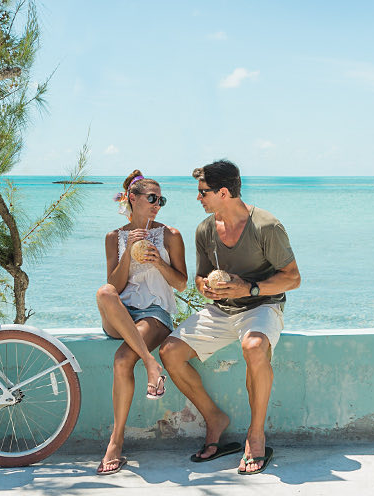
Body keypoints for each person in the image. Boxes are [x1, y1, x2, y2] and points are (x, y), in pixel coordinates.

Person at [159, 159, 301, 474]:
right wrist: (206, 289)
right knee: (170, 352)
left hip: (263, 306)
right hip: (222, 309)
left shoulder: (267, 226)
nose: (198, 198)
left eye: (203, 192)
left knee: (252, 347)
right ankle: (214, 419)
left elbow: (292, 278)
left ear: (224, 192)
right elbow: (200, 277)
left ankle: (256, 435)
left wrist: (249, 289)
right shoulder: (206, 229)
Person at [95, 170, 187, 475]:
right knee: (104, 291)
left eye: (161, 199)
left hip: (154, 314)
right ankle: (151, 363)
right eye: (151, 198)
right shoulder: (114, 237)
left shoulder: (169, 235)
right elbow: (115, 287)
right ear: (132, 199)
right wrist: (128, 255)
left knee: (122, 359)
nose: (157, 204)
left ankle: (115, 442)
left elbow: (182, 285)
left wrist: (157, 261)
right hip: (120, 314)